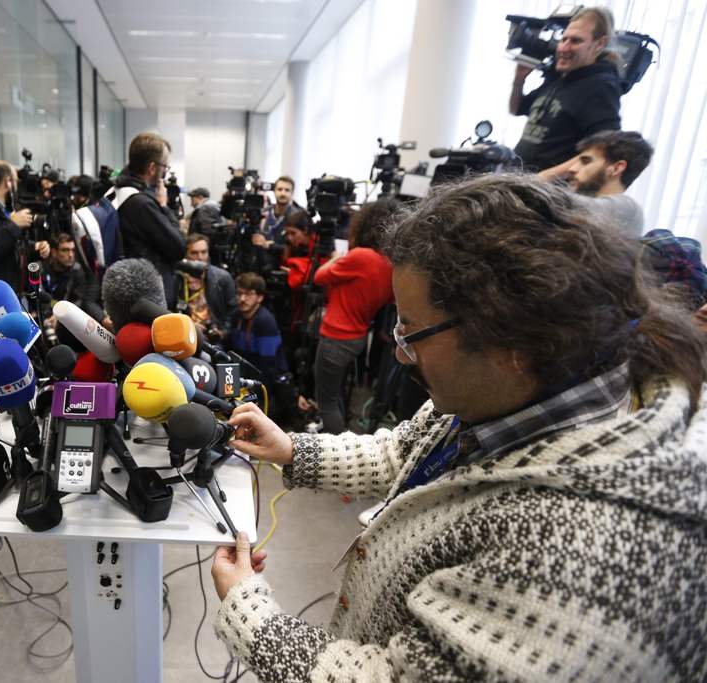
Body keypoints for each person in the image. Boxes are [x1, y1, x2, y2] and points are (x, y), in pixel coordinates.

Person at [211, 173, 707, 682]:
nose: (400, 353)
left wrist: (249, 611)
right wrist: (292, 449)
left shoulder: (584, 561)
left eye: (412, 331)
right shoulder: (504, 393)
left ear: (509, 340)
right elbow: (404, 455)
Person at [312, 199, 398, 434]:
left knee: (326, 402)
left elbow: (319, 277)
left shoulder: (360, 256)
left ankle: (336, 446)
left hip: (335, 338)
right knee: (336, 392)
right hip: (357, 338)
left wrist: (335, 257)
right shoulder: (390, 265)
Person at [510, 7, 623, 170]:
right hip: (518, 178)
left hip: (548, 190)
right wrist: (519, 79)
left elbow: (602, 152)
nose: (563, 48)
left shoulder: (601, 86)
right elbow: (516, 109)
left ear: (600, 44)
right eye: (564, 40)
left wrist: (544, 179)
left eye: (576, 41)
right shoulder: (559, 76)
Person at [539, 130, 654, 237]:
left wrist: (545, 176)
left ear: (616, 168)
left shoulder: (628, 209)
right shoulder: (583, 203)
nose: (572, 168)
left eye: (585, 161)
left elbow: (553, 199)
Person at [114, 132, 186, 298]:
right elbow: (178, 247)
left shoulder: (120, 189)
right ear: (152, 168)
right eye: (165, 167)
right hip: (149, 293)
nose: (165, 173)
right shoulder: (142, 203)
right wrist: (164, 206)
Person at [0, 160, 47, 294]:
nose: (16, 186)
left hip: (10, 288)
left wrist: (34, 248)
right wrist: (13, 226)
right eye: (16, 181)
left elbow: (7, 249)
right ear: (8, 182)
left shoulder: (1, 209)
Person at [227, 273, 287, 390]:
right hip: (243, 376)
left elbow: (268, 365)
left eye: (249, 294)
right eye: (239, 293)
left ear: (260, 297)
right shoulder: (236, 315)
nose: (242, 299)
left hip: (263, 382)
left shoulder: (265, 321)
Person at [175, 232, 237, 343]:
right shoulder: (177, 278)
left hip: (214, 337)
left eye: (204, 252)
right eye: (194, 253)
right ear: (186, 255)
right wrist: (187, 325)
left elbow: (233, 310)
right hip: (186, 335)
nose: (200, 257)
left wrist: (223, 332)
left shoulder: (222, 277)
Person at [42, 232, 101, 318]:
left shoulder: (77, 270)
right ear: (54, 252)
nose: (70, 255)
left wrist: (60, 316)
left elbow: (78, 301)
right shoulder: (43, 269)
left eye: (73, 250)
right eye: (65, 250)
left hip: (66, 317)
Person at [262, 175, 298, 242]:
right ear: (274, 191)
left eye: (287, 190)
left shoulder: (297, 216)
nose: (283, 193)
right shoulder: (264, 212)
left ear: (292, 193)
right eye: (279, 189)